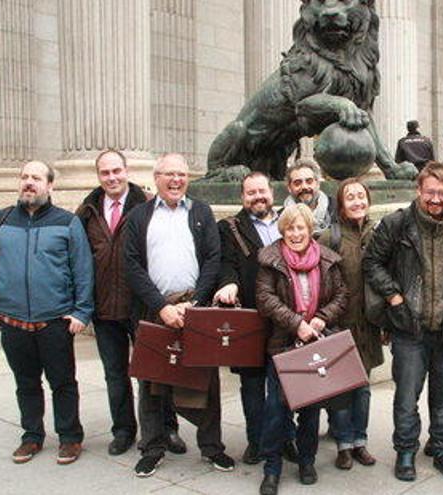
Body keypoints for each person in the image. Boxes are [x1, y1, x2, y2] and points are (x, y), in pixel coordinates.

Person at [0, 160, 94, 465]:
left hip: (54, 322)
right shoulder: (0, 220)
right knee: (26, 383)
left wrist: (81, 312)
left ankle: (70, 437)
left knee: (63, 383)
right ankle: (31, 437)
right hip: (12, 321)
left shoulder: (67, 222)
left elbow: (83, 270)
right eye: (25, 177)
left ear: (50, 185)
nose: (29, 182)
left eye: (37, 178)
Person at [363, 161, 443, 483]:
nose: (436, 199)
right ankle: (406, 451)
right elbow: (372, 262)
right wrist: (394, 296)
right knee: (406, 397)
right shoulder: (397, 224)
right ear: (419, 190)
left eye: (442, 193)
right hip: (408, 328)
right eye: (430, 193)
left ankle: (442, 449)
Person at [124, 153, 234, 477]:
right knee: (150, 381)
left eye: (182, 174)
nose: (176, 180)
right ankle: (152, 448)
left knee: (207, 380)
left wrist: (196, 302)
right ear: (156, 177)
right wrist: (161, 306)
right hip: (154, 308)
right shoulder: (139, 216)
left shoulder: (201, 211)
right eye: (169, 174)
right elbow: (131, 264)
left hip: (194, 309)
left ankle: (212, 447)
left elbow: (213, 258)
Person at [75, 149, 186, 456]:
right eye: (105, 173)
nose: (112, 178)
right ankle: (123, 429)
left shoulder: (148, 205)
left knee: (155, 372)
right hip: (104, 308)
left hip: (142, 305)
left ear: (126, 171)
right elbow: (79, 260)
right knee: (115, 373)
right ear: (99, 176)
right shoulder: (87, 210)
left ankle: (168, 428)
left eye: (116, 171)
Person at [256, 204, 348, 495]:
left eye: (301, 228)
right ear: (283, 230)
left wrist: (321, 318)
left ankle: (306, 461)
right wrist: (297, 323)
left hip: (316, 344)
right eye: (290, 228)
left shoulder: (328, 260)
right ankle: (271, 467)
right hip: (283, 345)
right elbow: (265, 298)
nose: (296, 233)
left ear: (310, 230)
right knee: (276, 410)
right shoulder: (271, 260)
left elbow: (342, 295)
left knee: (310, 410)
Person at [213, 171, 297, 465]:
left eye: (262, 191)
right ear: (242, 197)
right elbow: (226, 263)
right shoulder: (230, 227)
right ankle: (256, 439)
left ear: (271, 192)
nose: (258, 197)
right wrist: (228, 283)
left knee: (287, 382)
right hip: (249, 318)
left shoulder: (288, 221)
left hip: (286, 318)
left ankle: (287, 437)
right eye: (251, 193)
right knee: (251, 385)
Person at [317, 179, 384, 470]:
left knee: (363, 388)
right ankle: (344, 443)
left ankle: (360, 442)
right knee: (341, 389)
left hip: (367, 324)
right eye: (350, 197)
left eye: (361, 196)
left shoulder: (378, 233)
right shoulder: (330, 237)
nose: (357, 201)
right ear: (341, 205)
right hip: (339, 324)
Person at [283, 159, 337, 233]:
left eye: (309, 181)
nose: (304, 187)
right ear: (289, 188)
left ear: (318, 183)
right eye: (297, 183)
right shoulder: (281, 218)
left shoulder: (336, 210)